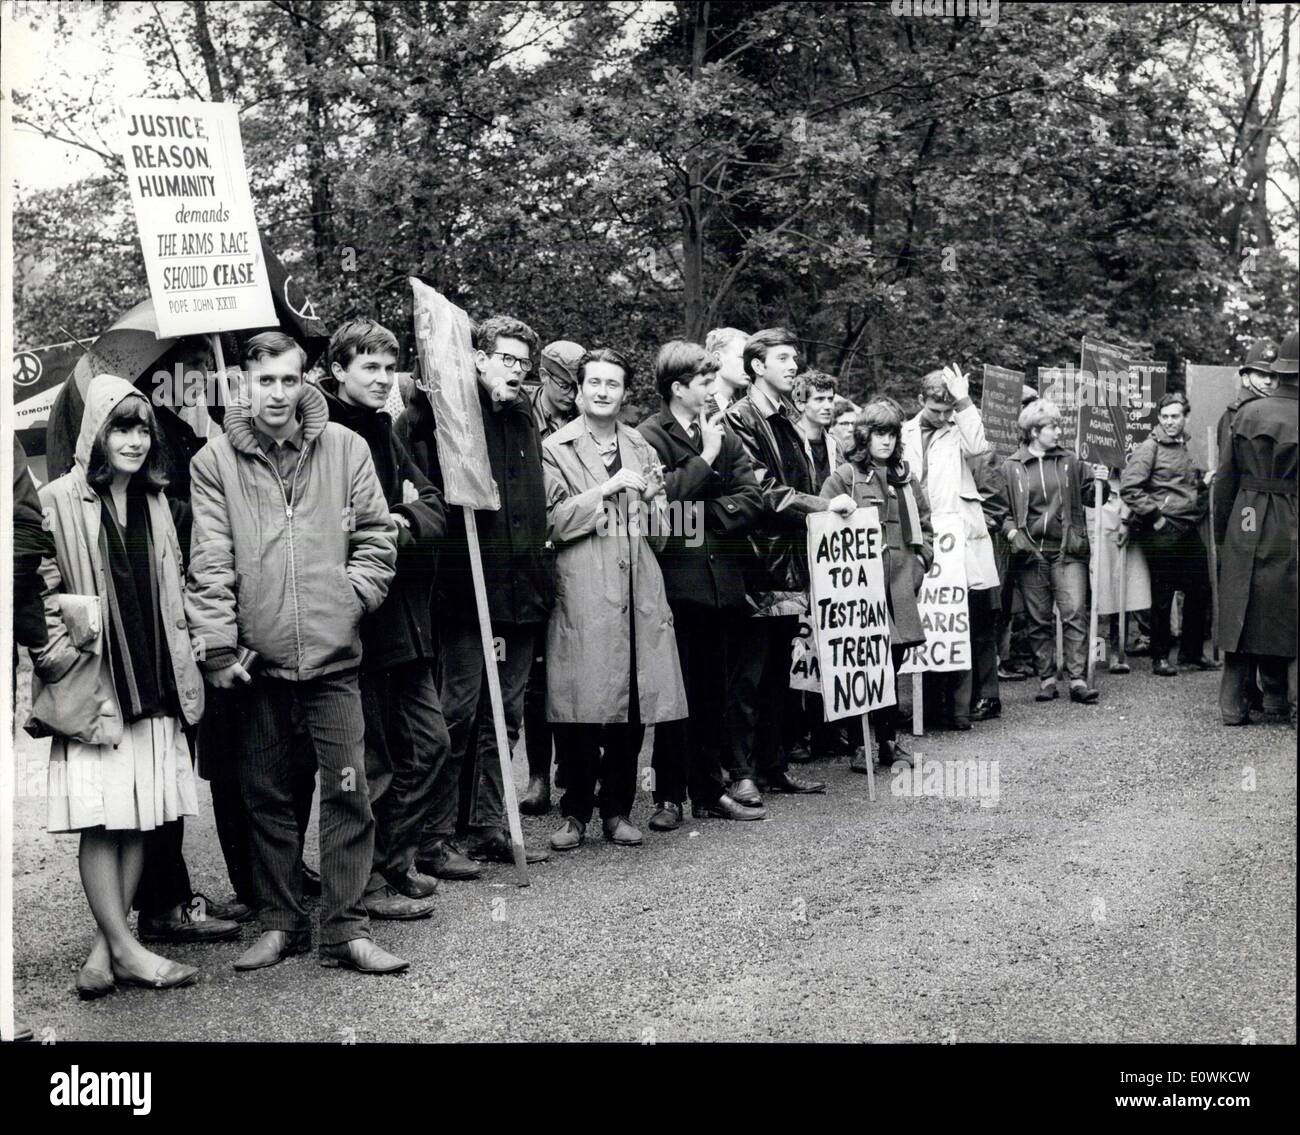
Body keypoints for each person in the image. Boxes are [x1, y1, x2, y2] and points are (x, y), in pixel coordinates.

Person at [187, 331, 408, 975]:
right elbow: (210, 558)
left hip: (335, 660)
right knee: (268, 796)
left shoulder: (346, 446)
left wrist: (351, 596)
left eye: (289, 379)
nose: (278, 393)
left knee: (348, 790)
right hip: (257, 663)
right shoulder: (214, 460)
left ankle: (345, 930)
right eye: (265, 381)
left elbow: (375, 534)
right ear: (244, 385)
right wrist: (220, 647)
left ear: (305, 378)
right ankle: (278, 920)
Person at [27, 374, 205, 997]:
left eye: (141, 429)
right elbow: (34, 588)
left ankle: (107, 951)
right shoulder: (55, 499)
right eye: (119, 428)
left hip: (152, 678)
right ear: (95, 436)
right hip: (93, 682)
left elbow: (177, 591)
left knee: (139, 816)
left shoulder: (160, 501)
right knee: (102, 820)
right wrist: (56, 653)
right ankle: (130, 948)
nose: (132, 440)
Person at [411, 314, 553, 873]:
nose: (516, 370)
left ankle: (489, 825)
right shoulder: (448, 416)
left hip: (523, 591)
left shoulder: (524, 418)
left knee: (507, 716)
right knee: (457, 713)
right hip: (469, 591)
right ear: (479, 358)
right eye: (506, 358)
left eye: (524, 362)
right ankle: (433, 834)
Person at [320, 317, 450, 919]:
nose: (381, 378)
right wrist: (381, 520)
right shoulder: (318, 429)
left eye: (388, 367)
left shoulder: (383, 428)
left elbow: (434, 507)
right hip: (356, 621)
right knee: (367, 765)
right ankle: (366, 883)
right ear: (338, 370)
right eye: (367, 366)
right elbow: (326, 523)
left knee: (432, 743)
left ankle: (396, 858)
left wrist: (402, 518)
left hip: (408, 622)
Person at [543, 348, 689, 850]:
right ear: (579, 391)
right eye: (595, 383)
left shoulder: (643, 448)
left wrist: (652, 502)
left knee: (631, 706)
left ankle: (618, 810)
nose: (603, 391)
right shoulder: (554, 447)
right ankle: (574, 812)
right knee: (581, 704)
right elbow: (552, 523)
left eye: (613, 384)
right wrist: (603, 491)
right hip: (584, 589)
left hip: (638, 591)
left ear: (626, 393)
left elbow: (665, 537)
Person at [724, 328, 858, 803]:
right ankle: (741, 771)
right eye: (783, 358)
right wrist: (821, 507)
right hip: (755, 563)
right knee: (748, 672)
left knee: (779, 670)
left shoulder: (784, 418)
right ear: (757, 366)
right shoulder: (739, 418)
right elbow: (762, 490)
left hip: (788, 563)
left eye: (794, 359)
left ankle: (771, 766)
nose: (793, 366)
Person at [638, 340, 767, 829]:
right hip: (676, 585)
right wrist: (707, 458)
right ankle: (667, 797)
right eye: (704, 382)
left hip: (723, 585)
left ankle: (709, 793)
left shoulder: (724, 434)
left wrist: (703, 513)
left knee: (713, 692)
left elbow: (751, 498)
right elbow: (659, 504)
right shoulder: (649, 435)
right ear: (678, 388)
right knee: (675, 695)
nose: (714, 390)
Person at [822, 399, 934, 770]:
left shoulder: (905, 476)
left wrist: (920, 563)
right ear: (864, 436)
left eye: (892, 434)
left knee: (892, 664)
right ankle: (861, 743)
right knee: (862, 664)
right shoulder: (845, 477)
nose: (886, 442)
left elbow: (926, 525)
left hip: (901, 587)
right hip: (858, 589)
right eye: (879, 434)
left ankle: (887, 740)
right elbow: (823, 527)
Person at [901, 365, 999, 730]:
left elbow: (980, 448)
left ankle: (958, 708)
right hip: (921, 533)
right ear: (919, 401)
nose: (942, 417)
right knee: (926, 619)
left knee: (958, 620)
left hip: (956, 534)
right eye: (934, 410)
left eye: (947, 410)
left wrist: (963, 402)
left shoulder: (960, 427)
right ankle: (926, 706)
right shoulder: (903, 432)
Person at [1215, 329, 1298, 727]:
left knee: (1243, 603)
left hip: (1246, 513)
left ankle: (1233, 706)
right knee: (1289, 606)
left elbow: (1224, 480)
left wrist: (1223, 533)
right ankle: (1281, 700)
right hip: (1291, 514)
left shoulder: (1244, 413)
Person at [1001, 399, 1109, 704]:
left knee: (1074, 612)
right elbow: (1003, 509)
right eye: (1053, 426)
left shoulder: (1071, 461)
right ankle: (1046, 678)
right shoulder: (1012, 466)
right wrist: (1012, 533)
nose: (1059, 431)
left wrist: (1100, 481)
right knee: (1038, 619)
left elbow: (1092, 497)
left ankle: (1077, 679)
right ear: (1035, 431)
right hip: (1031, 553)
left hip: (1068, 550)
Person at [521, 339, 585, 816]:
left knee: (578, 663)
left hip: (579, 551)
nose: (574, 392)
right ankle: (538, 774)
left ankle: (575, 768)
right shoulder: (521, 416)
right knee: (537, 674)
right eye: (565, 383)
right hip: (533, 555)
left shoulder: (589, 422)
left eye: (579, 383)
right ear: (543, 375)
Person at [1119, 392, 1217, 677]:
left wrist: (1202, 482)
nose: (1170, 422)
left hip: (1187, 528)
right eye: (1165, 417)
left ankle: (1191, 653)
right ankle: (1159, 657)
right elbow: (1130, 488)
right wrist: (1156, 518)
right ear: (1159, 418)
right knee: (1163, 594)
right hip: (1162, 530)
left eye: (1175, 416)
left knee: (1200, 589)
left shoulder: (1184, 446)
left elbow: (1181, 485)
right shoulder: (1150, 447)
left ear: (1185, 417)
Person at [703, 327, 749, 414]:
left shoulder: (741, 411)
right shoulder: (697, 409)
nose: (749, 366)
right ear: (717, 358)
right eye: (742, 358)